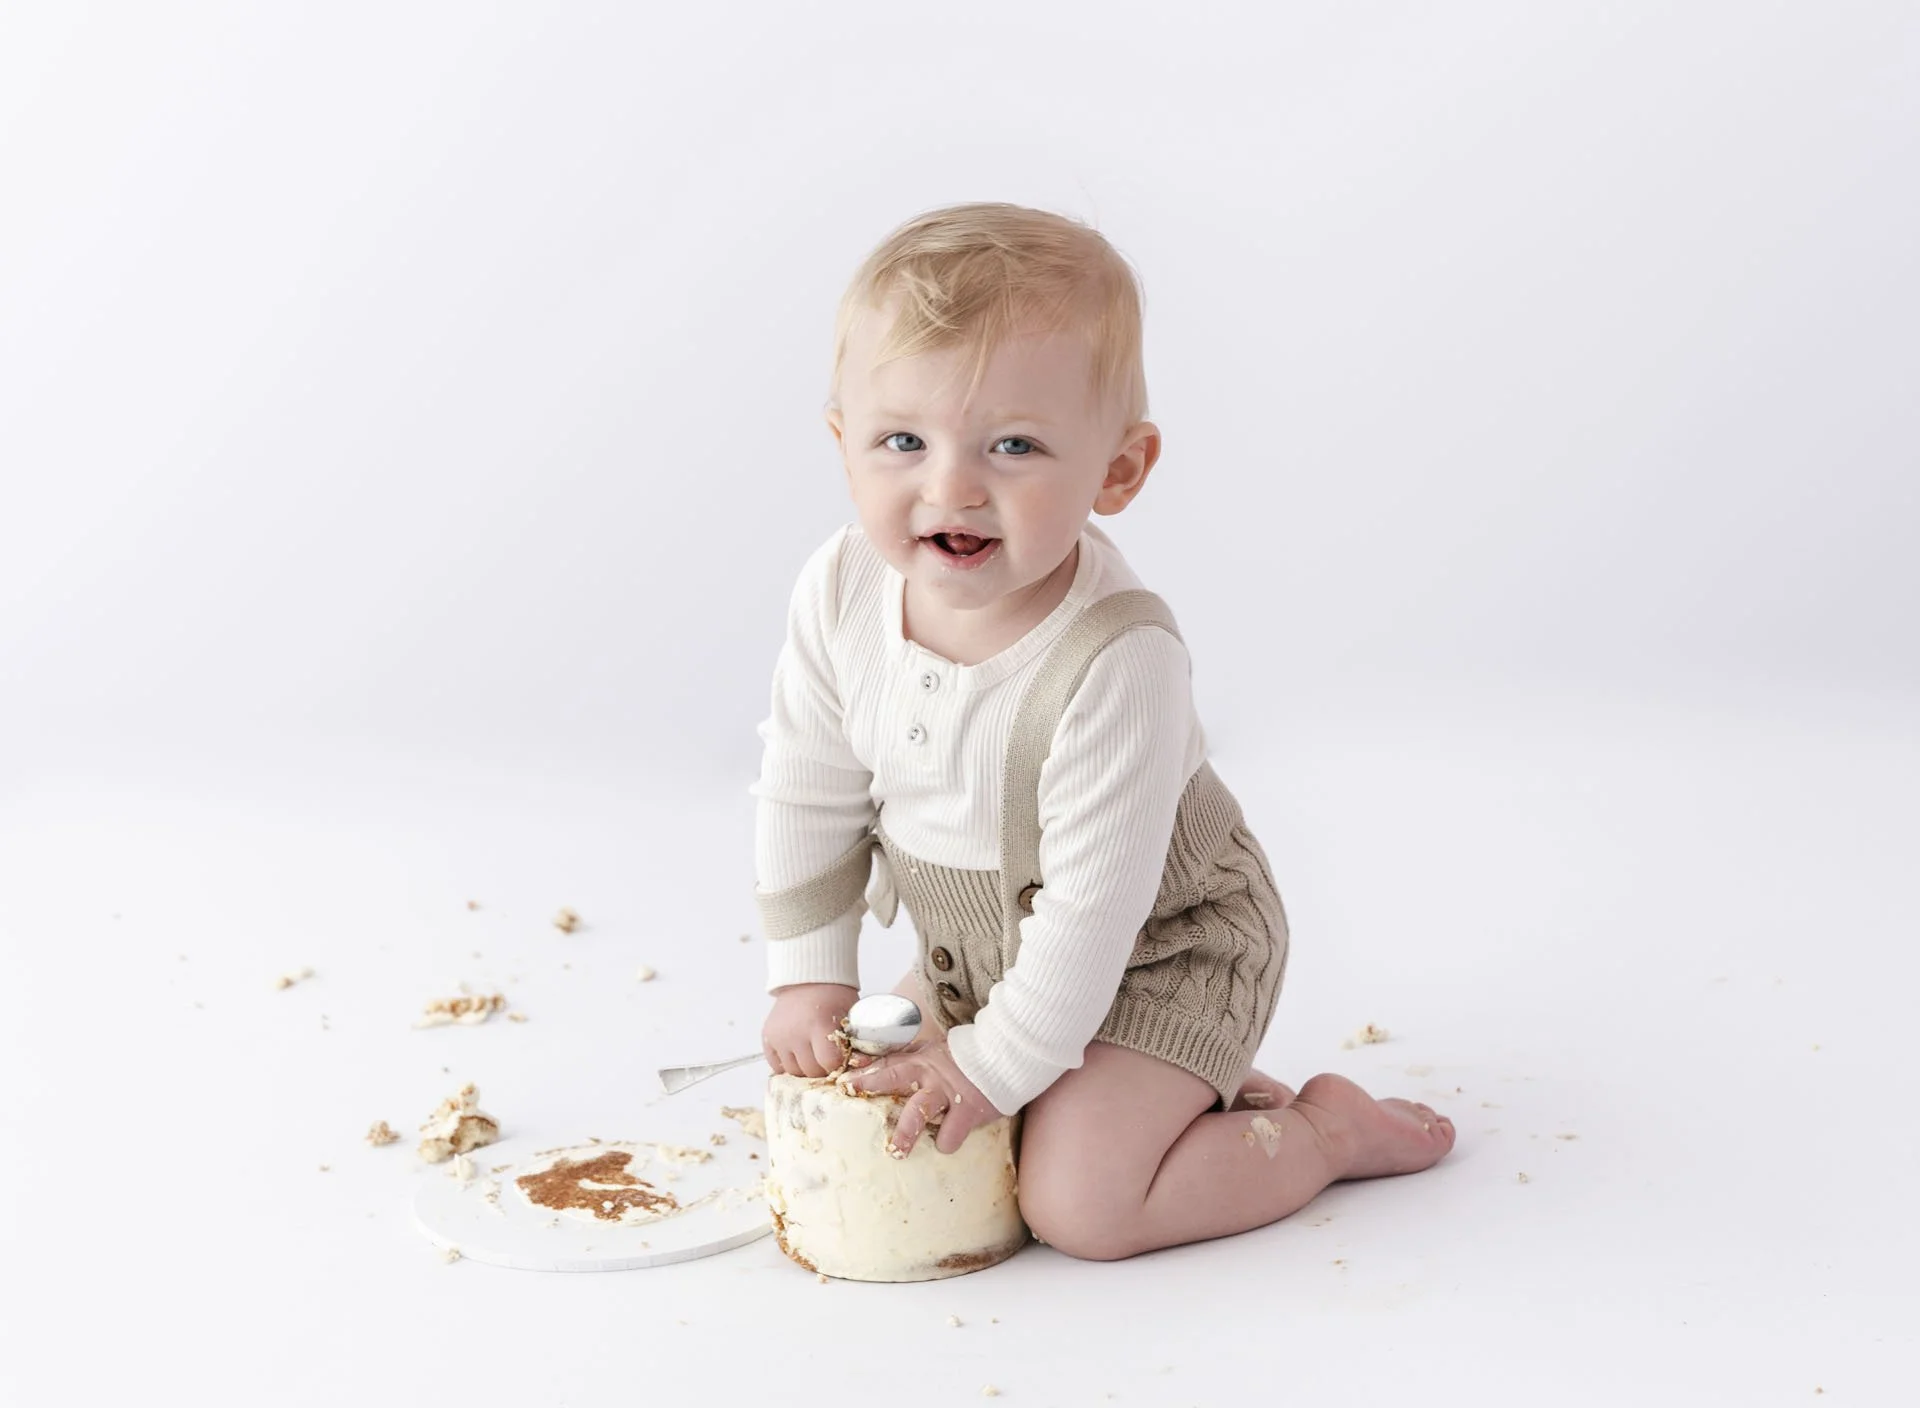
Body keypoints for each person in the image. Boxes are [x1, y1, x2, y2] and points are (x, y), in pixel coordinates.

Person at [750, 201, 1454, 1262]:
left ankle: (1319, 1128)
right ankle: (1153, 1098)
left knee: (1078, 1206)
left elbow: (1092, 912)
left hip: (1159, 951)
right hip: (988, 958)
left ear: (1117, 472)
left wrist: (990, 1066)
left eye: (1015, 445)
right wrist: (810, 969)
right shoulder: (842, 588)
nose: (953, 488)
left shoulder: (1118, 660)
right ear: (843, 440)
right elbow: (808, 783)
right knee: (878, 1096)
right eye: (904, 440)